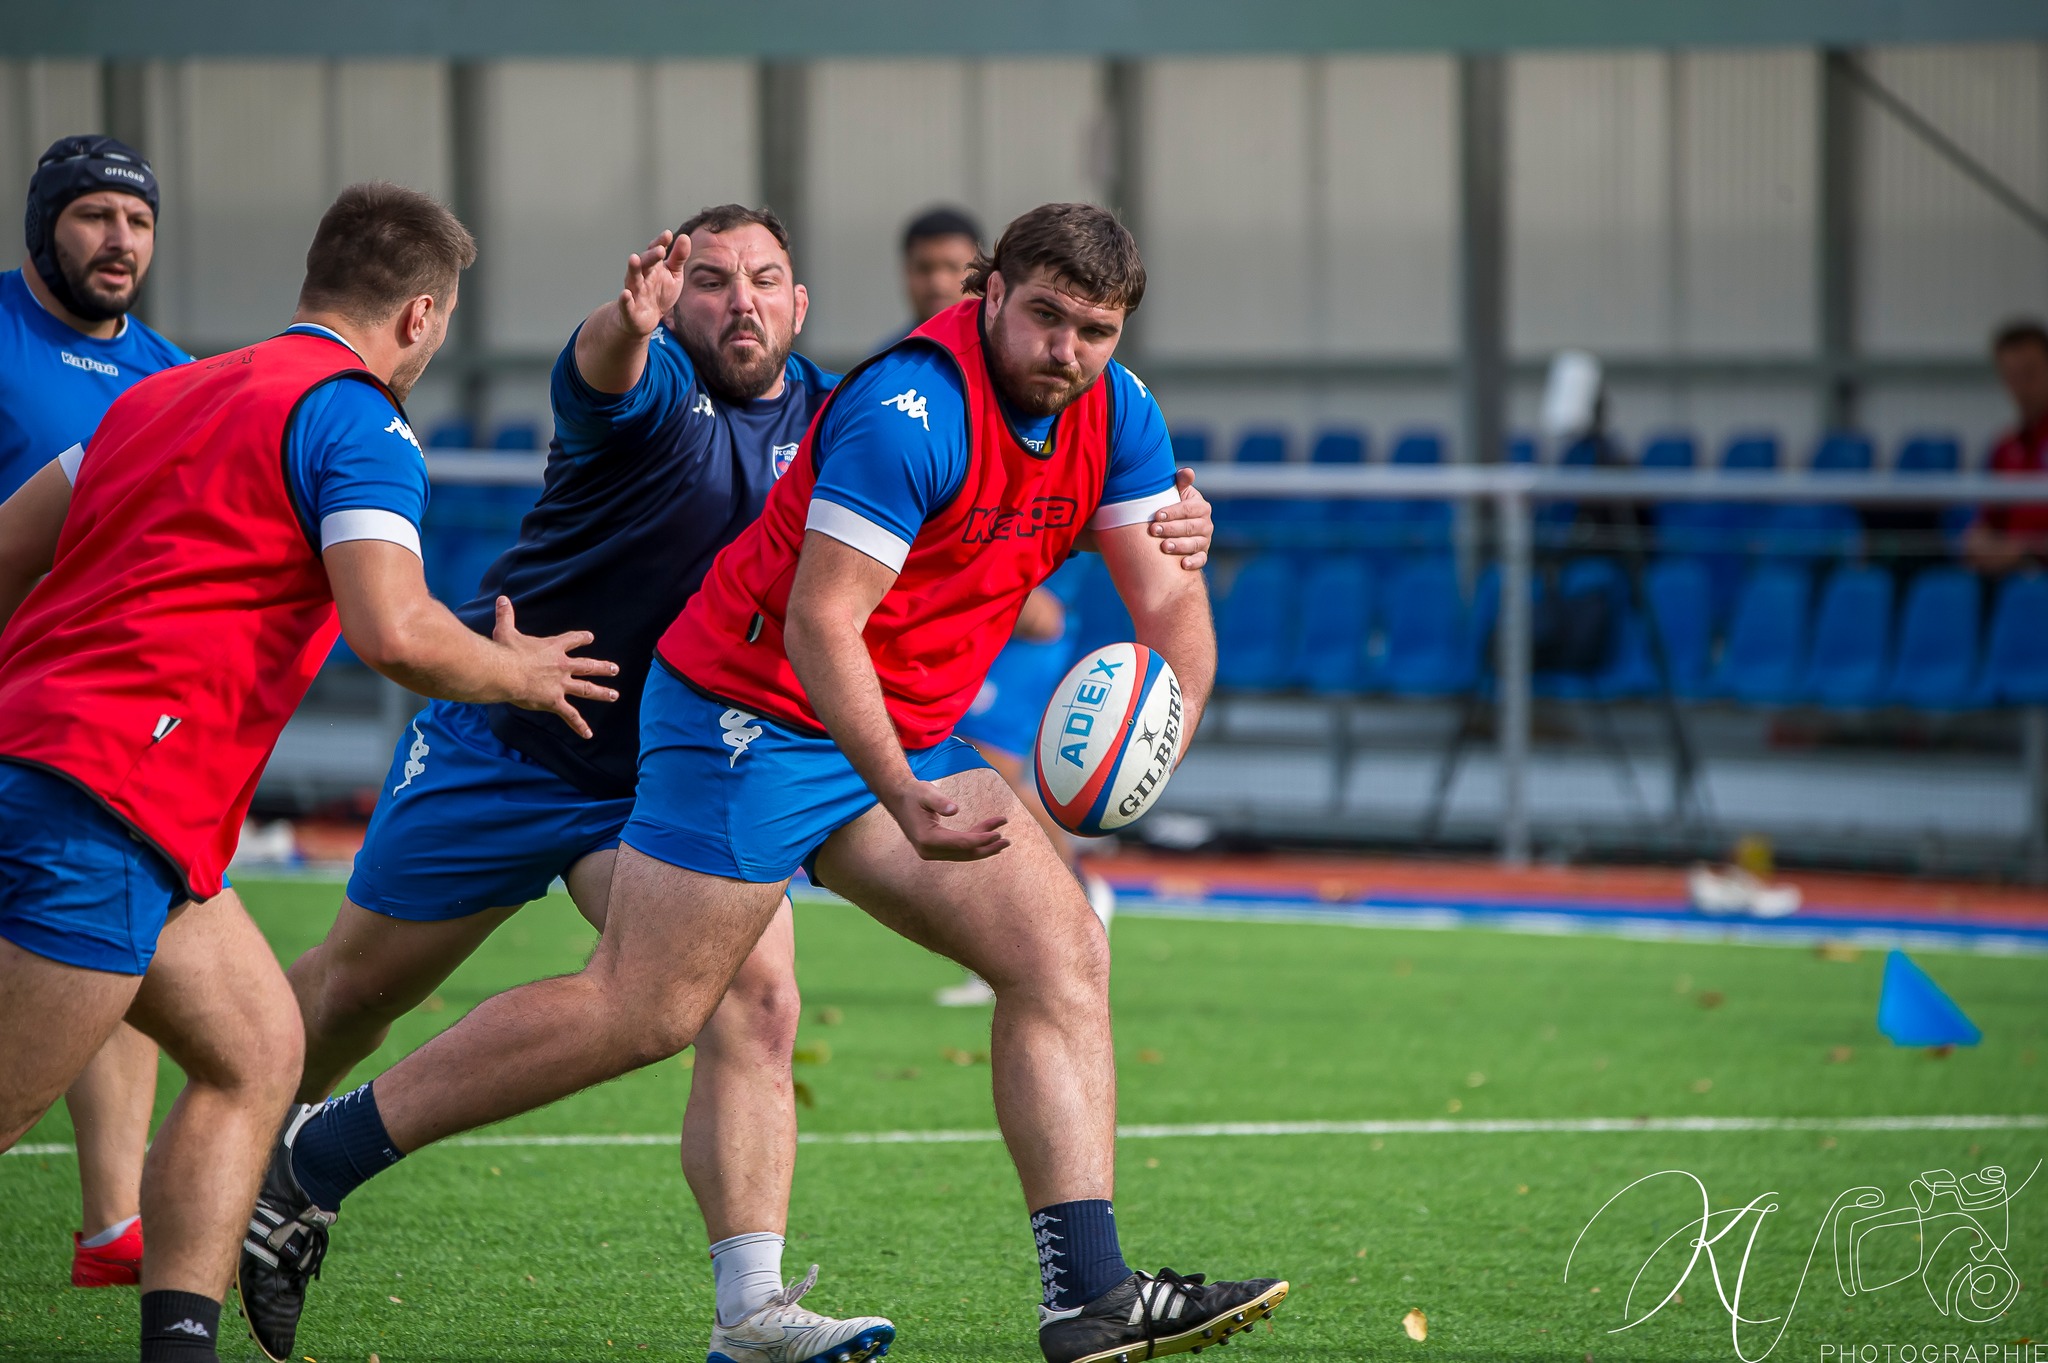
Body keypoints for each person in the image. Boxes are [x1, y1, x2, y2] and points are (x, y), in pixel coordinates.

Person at [252, 202, 1285, 1363]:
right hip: (745, 709)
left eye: (1092, 331)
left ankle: (1087, 1295)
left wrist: (1164, 729)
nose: (1065, 351)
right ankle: (310, 1159)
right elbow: (818, 626)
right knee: (641, 1011)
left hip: (890, 721)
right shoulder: (906, 412)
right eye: (1044, 318)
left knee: (1060, 953)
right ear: (988, 294)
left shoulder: (1117, 409)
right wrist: (905, 796)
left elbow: (1168, 603)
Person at [0, 181, 615, 1363]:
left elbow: (8, 550)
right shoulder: (360, 423)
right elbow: (392, 630)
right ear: (423, 317)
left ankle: (179, 1344)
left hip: (67, 775)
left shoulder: (152, 393)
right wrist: (517, 670)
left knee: (260, 1049)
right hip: (106, 803)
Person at [0, 134, 191, 1289]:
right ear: (43, 226)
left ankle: (115, 1222)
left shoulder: (172, 376)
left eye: (138, 220)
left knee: (105, 949)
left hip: (84, 727)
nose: (119, 240)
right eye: (93, 216)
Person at [894, 209, 1136, 1008]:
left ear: (985, 281)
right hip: (961, 611)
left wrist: (1037, 590)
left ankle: (1070, 893)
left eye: (947, 267)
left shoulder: (1050, 372)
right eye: (921, 267)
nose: (934, 281)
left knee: (988, 763)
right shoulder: (917, 374)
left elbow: (1053, 496)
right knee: (977, 762)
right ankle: (1034, 914)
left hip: (1021, 614)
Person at [1962, 320, 2048, 575]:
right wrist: (1977, 541)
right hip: (2008, 578)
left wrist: (2026, 552)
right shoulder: (2005, 446)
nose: (2021, 387)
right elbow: (1989, 520)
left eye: (2030, 373)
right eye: (2012, 376)